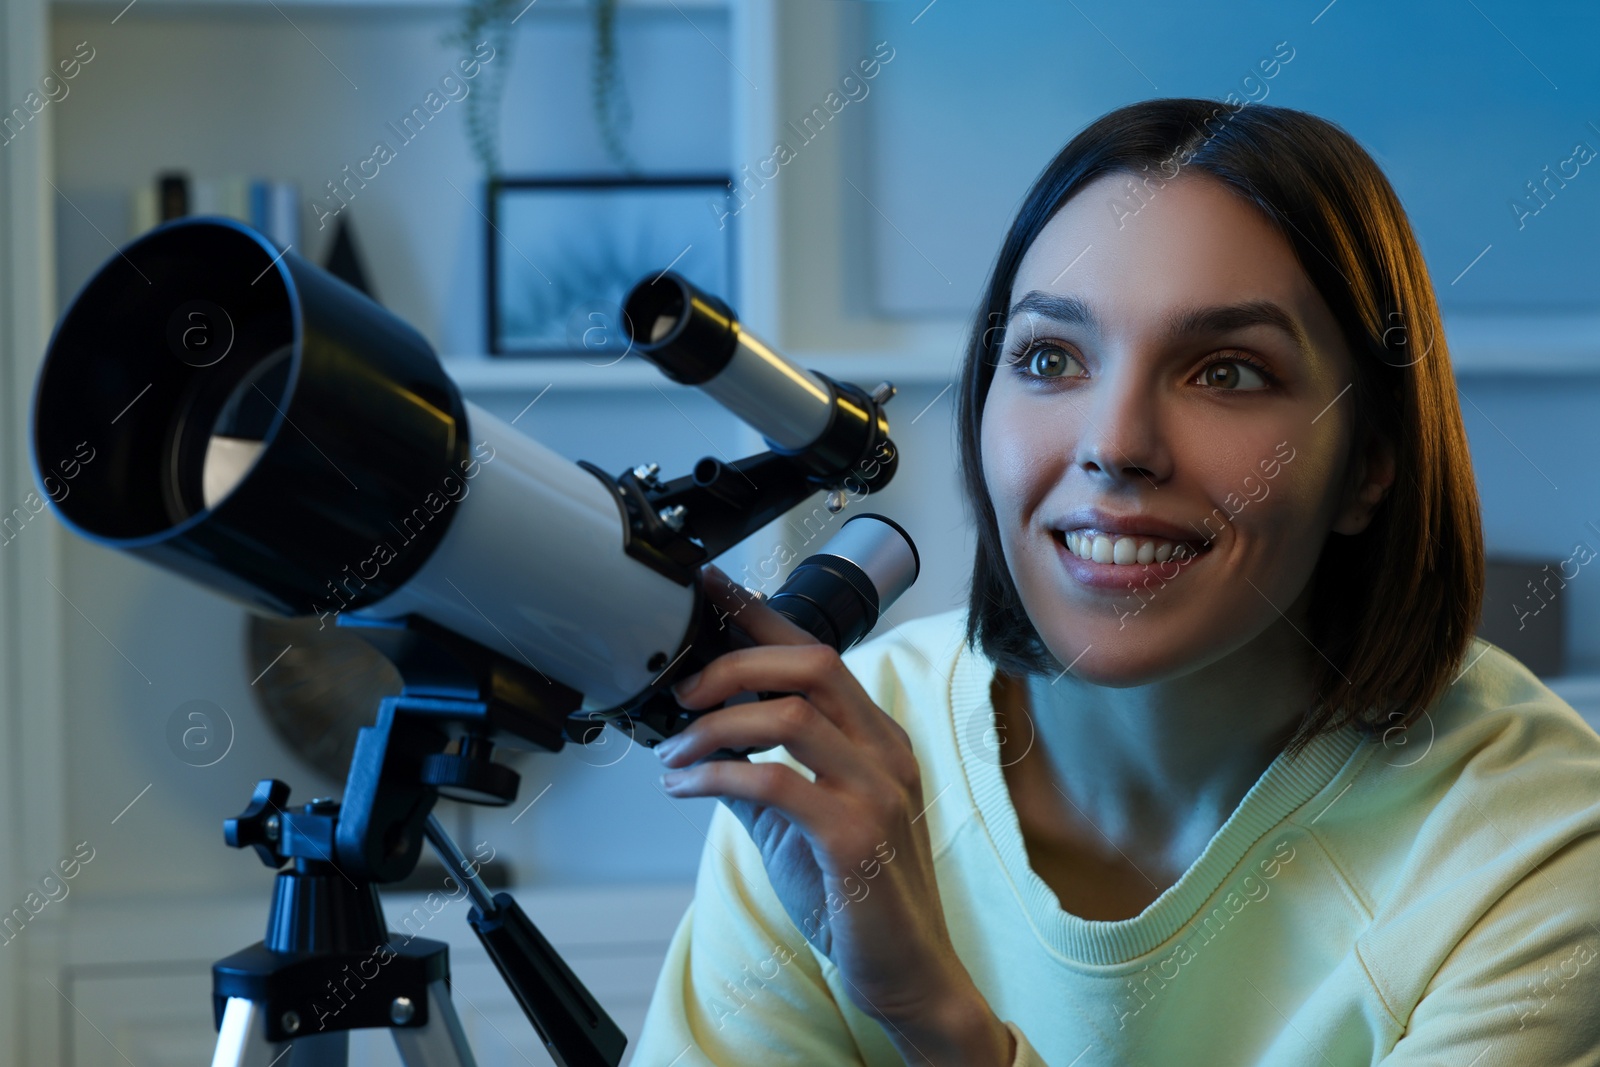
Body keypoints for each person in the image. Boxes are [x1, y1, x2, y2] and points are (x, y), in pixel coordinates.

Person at [629, 98, 1600, 1065]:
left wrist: (932, 1016)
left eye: (1226, 371)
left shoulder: (1535, 847)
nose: (1115, 443)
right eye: (1050, 357)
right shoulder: (839, 749)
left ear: (1369, 461)